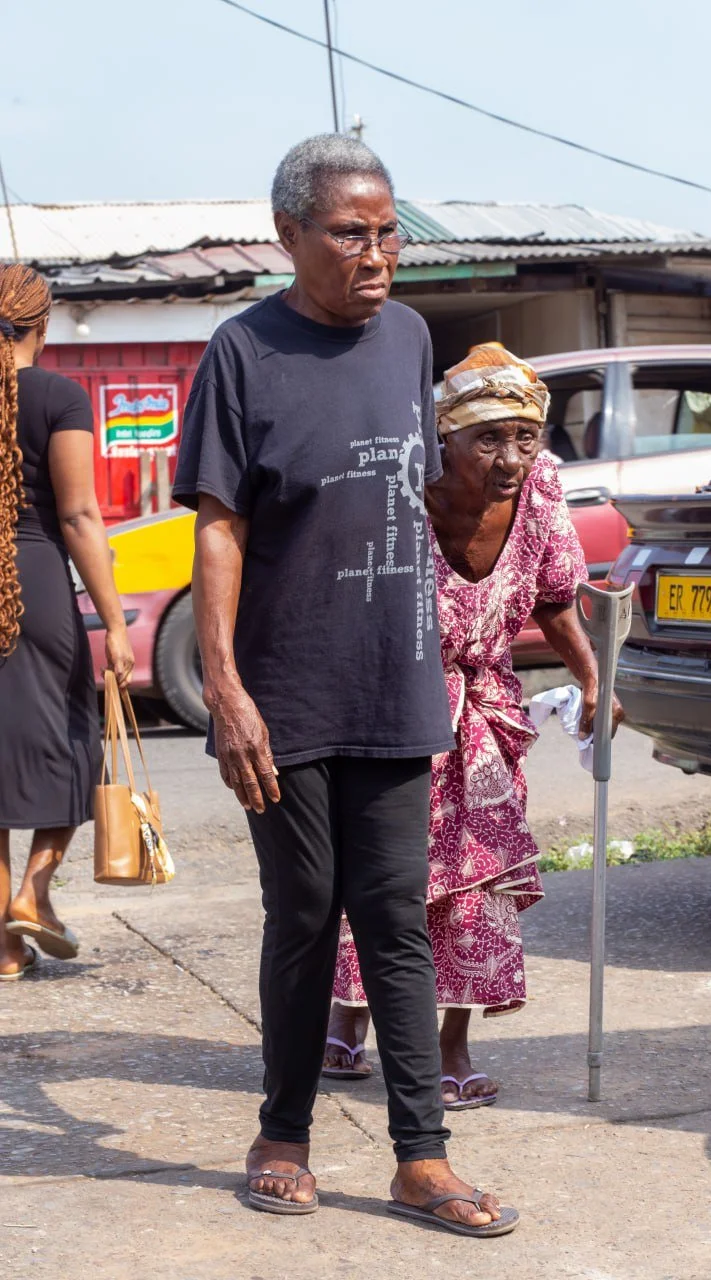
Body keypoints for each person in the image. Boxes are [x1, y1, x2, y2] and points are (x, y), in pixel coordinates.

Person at [172, 135, 517, 1236]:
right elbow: (218, 528)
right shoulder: (242, 351)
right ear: (289, 235)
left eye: (387, 232)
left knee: (397, 917)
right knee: (306, 911)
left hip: (394, 678)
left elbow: (421, 500)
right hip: (285, 687)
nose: (377, 254)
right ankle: (282, 1133)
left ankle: (422, 1156)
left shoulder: (409, 338)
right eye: (349, 233)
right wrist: (226, 688)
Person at [327, 343, 622, 1106]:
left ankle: (450, 1043)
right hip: (391, 701)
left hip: (483, 707)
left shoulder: (540, 488)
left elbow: (554, 599)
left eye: (525, 437)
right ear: (442, 438)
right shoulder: (398, 487)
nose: (511, 458)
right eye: (488, 439)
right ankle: (348, 1013)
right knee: (382, 867)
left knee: (476, 877)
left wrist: (593, 678)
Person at [0, 265, 134, 980]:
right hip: (37, 584)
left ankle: (4, 949)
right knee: (77, 737)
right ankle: (34, 892)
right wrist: (115, 623)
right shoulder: (58, 396)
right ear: (42, 326)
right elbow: (80, 514)